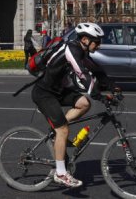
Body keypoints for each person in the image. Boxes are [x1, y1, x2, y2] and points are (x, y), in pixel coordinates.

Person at [31, 22, 116, 188]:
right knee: (63, 129)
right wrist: (100, 96)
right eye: (97, 42)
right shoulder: (71, 49)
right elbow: (82, 74)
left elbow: (96, 69)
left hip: (58, 92)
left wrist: (112, 86)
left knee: (84, 103)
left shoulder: (82, 51)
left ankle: (57, 133)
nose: (99, 45)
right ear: (84, 39)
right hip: (44, 93)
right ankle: (60, 173)